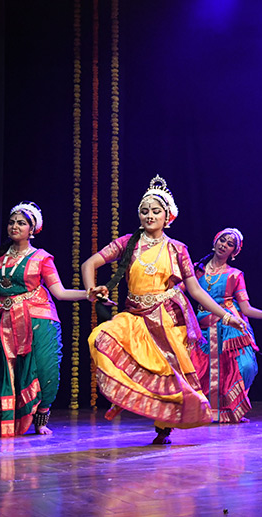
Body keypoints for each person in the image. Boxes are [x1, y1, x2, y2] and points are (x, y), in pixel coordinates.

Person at [82, 175, 247, 445]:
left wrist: (228, 316)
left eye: (156, 211)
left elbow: (196, 291)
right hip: (135, 316)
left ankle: (163, 429)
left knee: (169, 373)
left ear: (168, 216)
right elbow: (89, 264)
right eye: (144, 211)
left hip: (167, 318)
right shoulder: (127, 243)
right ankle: (128, 397)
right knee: (100, 337)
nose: (149, 216)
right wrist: (92, 291)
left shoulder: (177, 249)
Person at [0, 202, 89, 437]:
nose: (14, 226)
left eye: (21, 223)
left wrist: (89, 295)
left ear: (32, 229)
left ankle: (40, 420)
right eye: (12, 222)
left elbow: (60, 292)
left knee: (44, 371)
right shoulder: (0, 258)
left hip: (38, 320)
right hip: (5, 319)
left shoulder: (42, 258)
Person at [195, 228, 262, 423]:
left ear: (234, 252)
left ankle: (231, 409)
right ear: (215, 241)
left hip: (232, 326)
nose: (224, 245)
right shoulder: (196, 270)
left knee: (246, 367)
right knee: (203, 370)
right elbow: (179, 290)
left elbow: (246, 309)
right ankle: (205, 411)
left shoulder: (235, 275)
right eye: (222, 240)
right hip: (204, 327)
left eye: (230, 244)